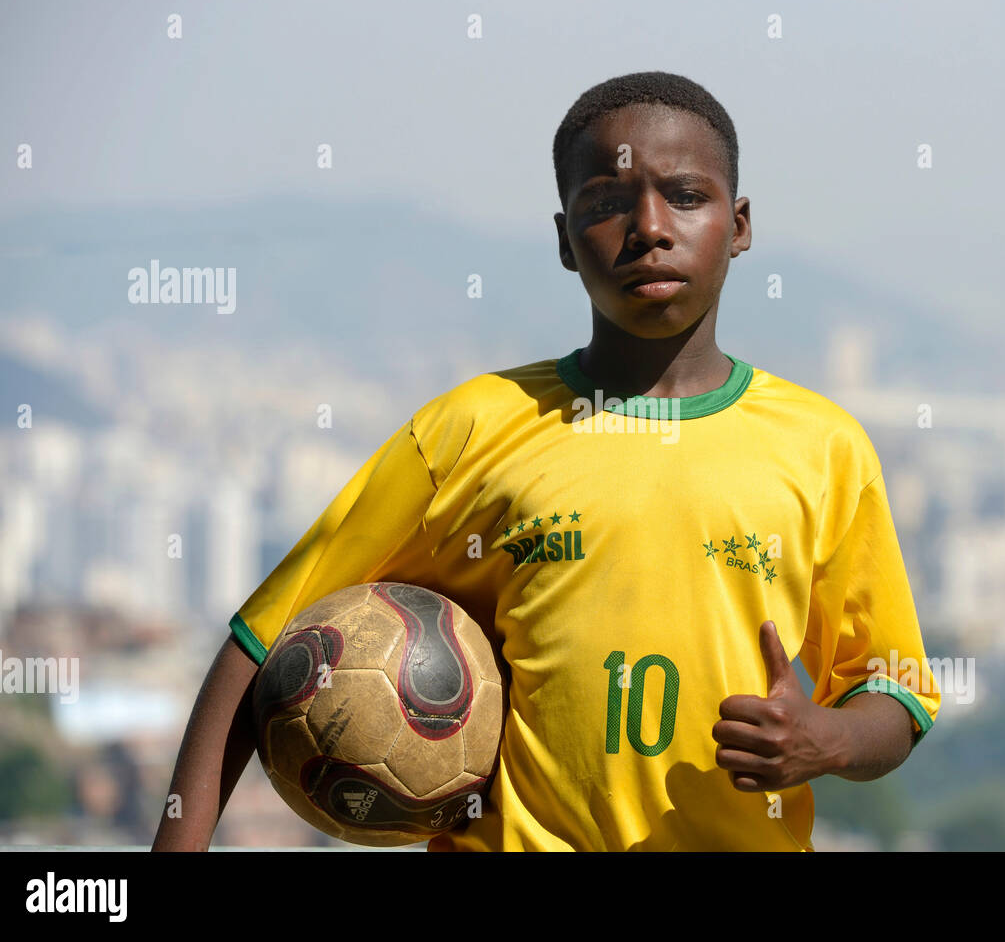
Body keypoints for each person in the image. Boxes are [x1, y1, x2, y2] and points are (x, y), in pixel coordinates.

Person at [153, 70, 940, 852]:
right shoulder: (470, 429)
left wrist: (825, 738)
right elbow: (259, 643)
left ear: (738, 225)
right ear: (566, 240)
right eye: (606, 203)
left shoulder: (824, 447)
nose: (650, 228)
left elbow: (895, 688)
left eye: (687, 196)